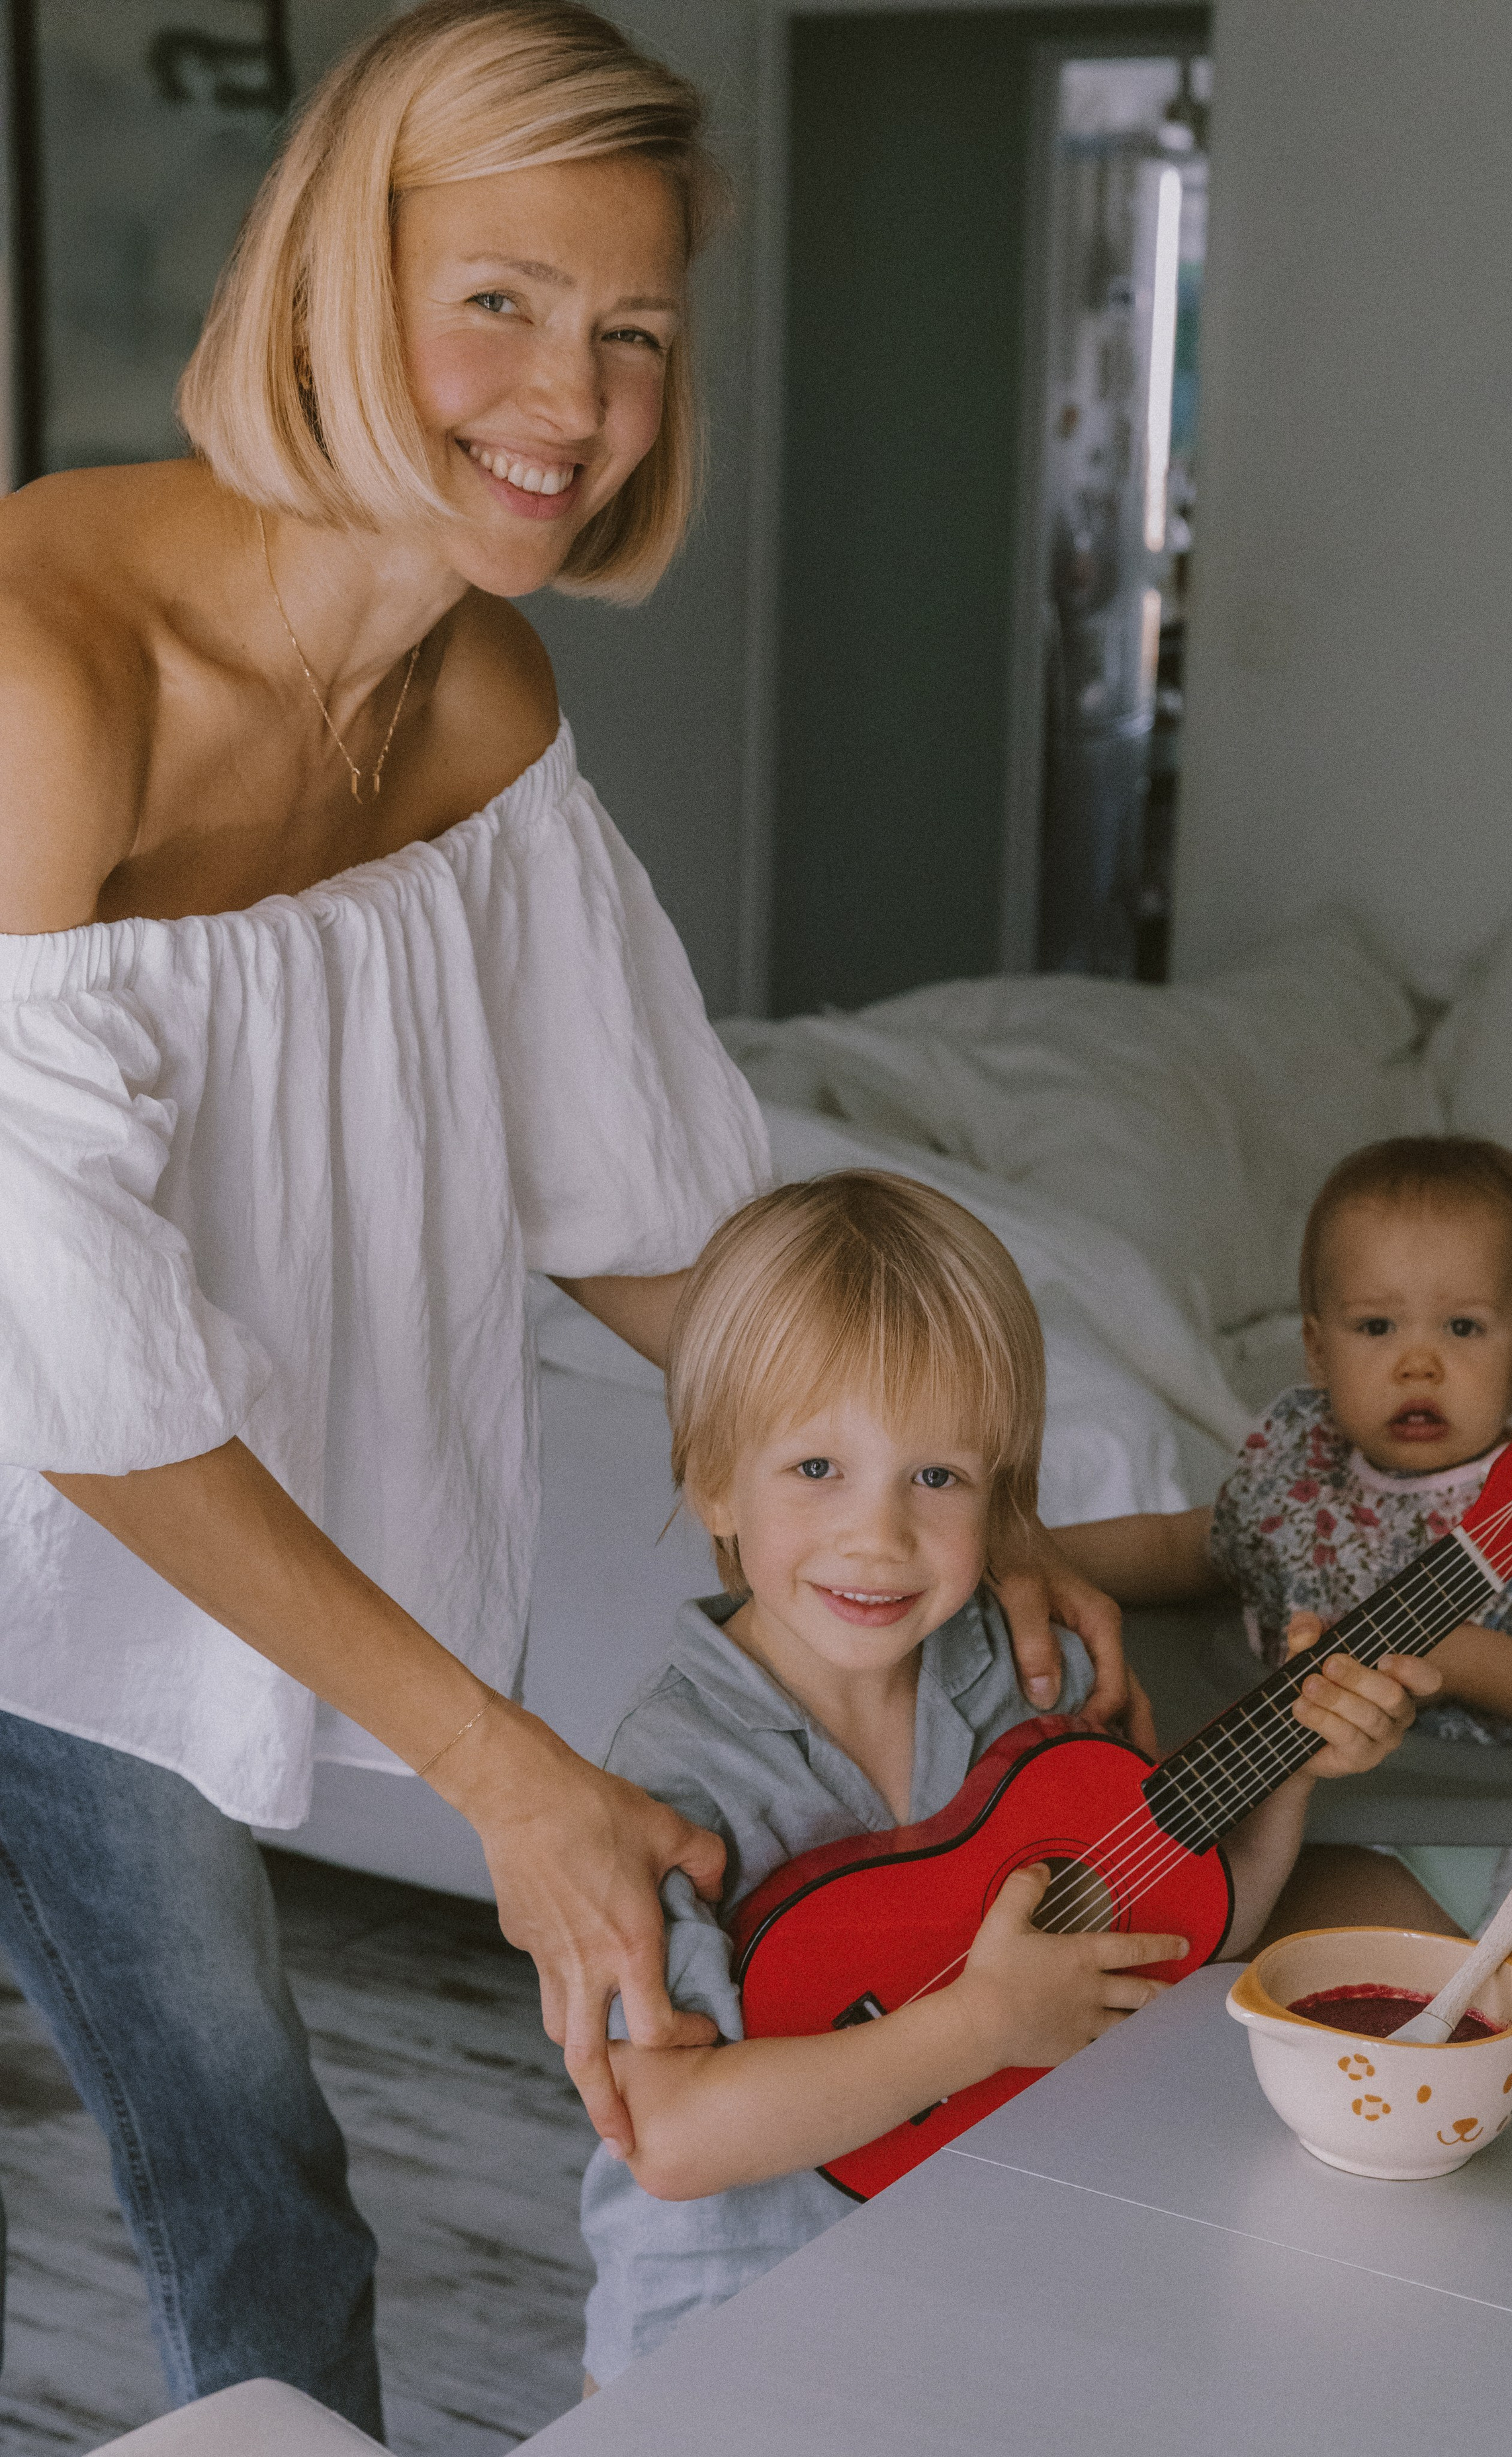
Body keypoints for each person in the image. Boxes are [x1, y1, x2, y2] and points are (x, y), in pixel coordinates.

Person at [0, 2, 1130, 2427]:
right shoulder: (46, 687)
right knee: (246, 2161)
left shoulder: (477, 700)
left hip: (180, 1507)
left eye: (631, 328)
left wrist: (964, 1488)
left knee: (238, 2155)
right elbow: (77, 1385)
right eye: (497, 300)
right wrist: (505, 1774)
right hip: (51, 1522)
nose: (574, 394)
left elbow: (647, 1207)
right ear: (332, 285)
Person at [576, 1170, 1435, 2390]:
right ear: (714, 1477)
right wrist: (978, 2026)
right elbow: (668, 2133)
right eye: (816, 1468)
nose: (879, 1536)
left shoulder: (1016, 1681)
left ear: (1004, 1499)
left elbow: (1169, 1942)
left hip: (975, 2292)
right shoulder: (675, 1770)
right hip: (726, 2350)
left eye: (937, 1478)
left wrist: (1294, 1768)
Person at [1055, 1135, 1512, 1970]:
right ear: (1317, 1350)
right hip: (1287, 1790)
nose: (1418, 1362)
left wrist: (1454, 1653)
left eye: (1463, 1327)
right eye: (1375, 1325)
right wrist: (1032, 1556)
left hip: (1448, 1830)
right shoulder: (1300, 1465)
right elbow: (1179, 1547)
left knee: (1228, 1949)